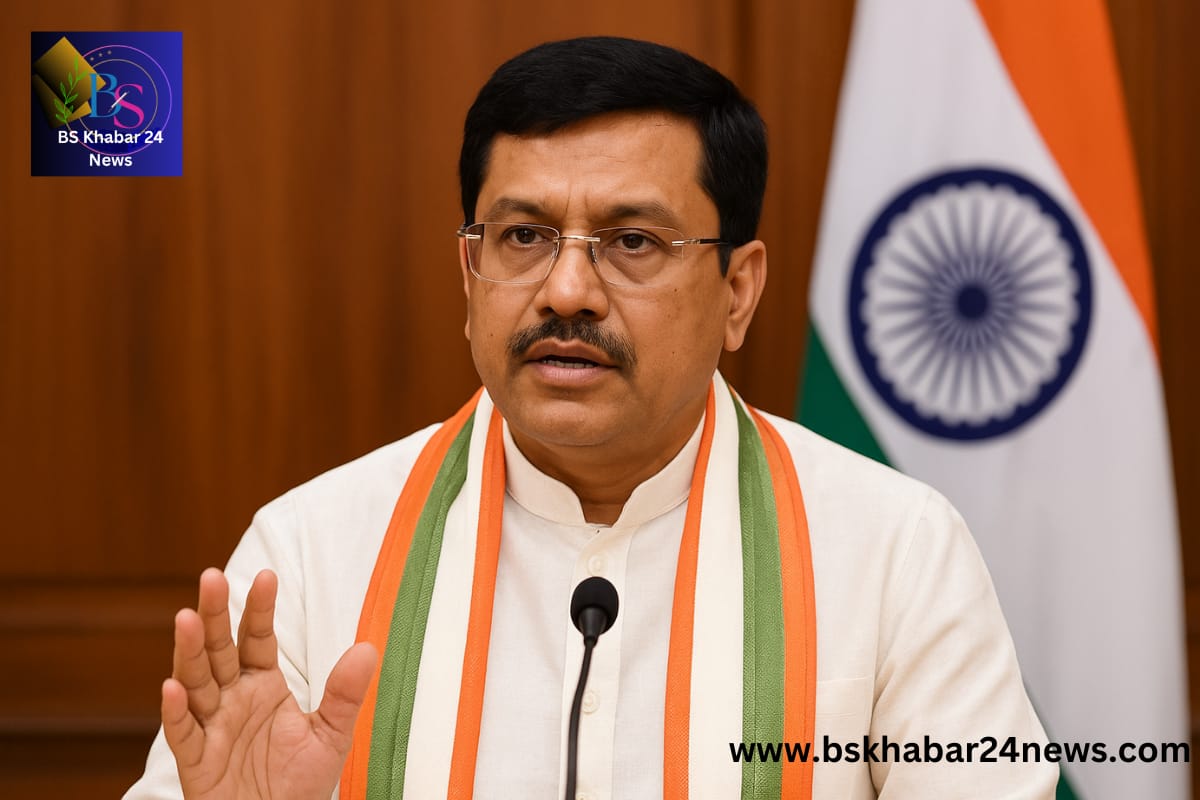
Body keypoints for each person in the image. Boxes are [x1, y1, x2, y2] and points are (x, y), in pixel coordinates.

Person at [126, 36, 1057, 799]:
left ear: (737, 291)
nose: (566, 291)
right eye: (523, 236)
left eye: (633, 242)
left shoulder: (898, 548)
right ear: (469, 275)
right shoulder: (307, 556)